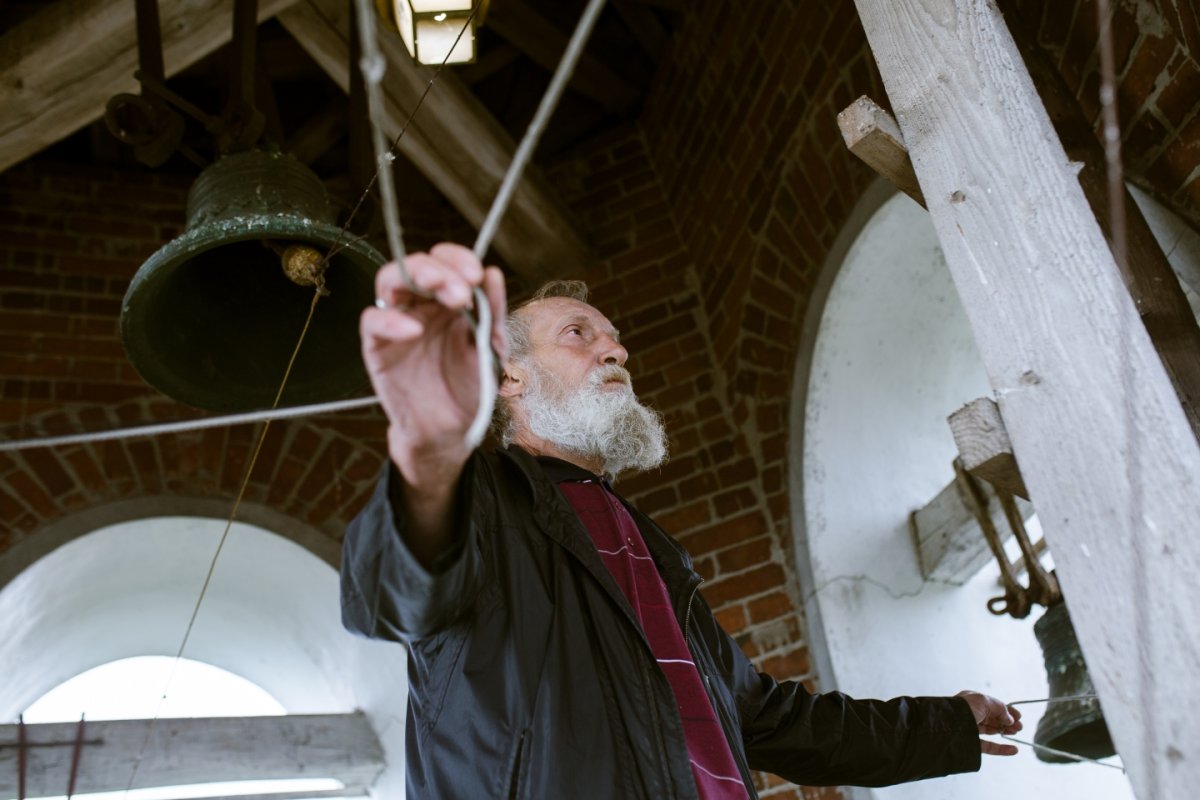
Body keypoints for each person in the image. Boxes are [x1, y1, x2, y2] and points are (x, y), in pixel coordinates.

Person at [342, 243, 1023, 799]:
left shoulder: (647, 545)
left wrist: (944, 725)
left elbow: (764, 718)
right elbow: (393, 590)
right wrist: (427, 450)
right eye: (579, 334)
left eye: (615, 339)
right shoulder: (476, 497)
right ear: (509, 379)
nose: (616, 352)